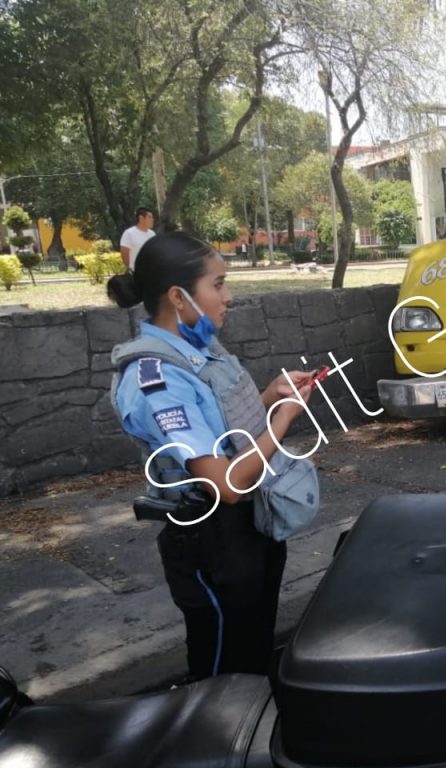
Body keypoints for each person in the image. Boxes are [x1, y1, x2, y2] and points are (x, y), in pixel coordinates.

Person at [106, 232, 316, 679]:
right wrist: (282, 423)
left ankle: (253, 738)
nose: (229, 296)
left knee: (256, 652)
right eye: (218, 284)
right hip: (213, 546)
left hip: (251, 530)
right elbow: (223, 484)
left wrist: (268, 399)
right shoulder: (157, 380)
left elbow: (220, 434)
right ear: (179, 297)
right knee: (223, 672)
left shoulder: (199, 347)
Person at [119, 207, 156, 271]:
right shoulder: (129, 233)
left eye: (152, 217)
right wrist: (130, 268)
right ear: (141, 218)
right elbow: (124, 253)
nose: (152, 219)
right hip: (136, 272)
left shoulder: (152, 234)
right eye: (149, 217)